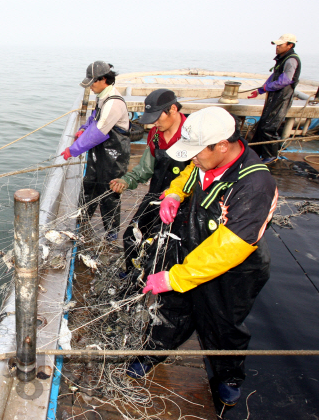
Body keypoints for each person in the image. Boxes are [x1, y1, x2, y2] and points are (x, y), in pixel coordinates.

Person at [127, 107, 278, 408]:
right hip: (191, 249)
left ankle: (228, 376)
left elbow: (228, 249)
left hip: (234, 270)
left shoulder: (255, 185)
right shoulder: (206, 160)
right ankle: (151, 355)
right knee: (171, 311)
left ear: (221, 144)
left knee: (223, 324)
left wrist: (174, 277)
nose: (192, 158)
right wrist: (173, 193)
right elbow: (188, 174)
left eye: (197, 152)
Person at [109, 89, 188, 278]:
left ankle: (158, 279)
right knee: (131, 236)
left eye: (157, 117)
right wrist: (126, 180)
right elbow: (145, 169)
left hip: (183, 203)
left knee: (169, 247)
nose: (154, 122)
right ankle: (132, 275)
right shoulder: (154, 134)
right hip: (155, 196)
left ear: (173, 109)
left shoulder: (191, 135)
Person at [63, 61, 130, 239]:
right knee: (90, 183)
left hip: (114, 153)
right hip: (100, 151)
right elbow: (94, 118)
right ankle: (82, 219)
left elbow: (98, 133)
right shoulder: (103, 96)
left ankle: (112, 231)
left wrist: (73, 150)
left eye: (93, 82)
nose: (91, 87)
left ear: (104, 80)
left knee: (109, 191)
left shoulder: (113, 102)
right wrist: (84, 128)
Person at [248, 33, 301, 164]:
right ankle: (257, 154)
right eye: (276, 45)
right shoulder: (282, 58)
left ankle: (271, 156)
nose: (277, 47)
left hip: (282, 97)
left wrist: (266, 88)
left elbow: (286, 80)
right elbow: (274, 77)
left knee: (269, 127)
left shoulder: (291, 60)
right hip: (274, 96)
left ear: (290, 45)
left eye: (280, 45)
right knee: (262, 125)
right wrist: (260, 90)